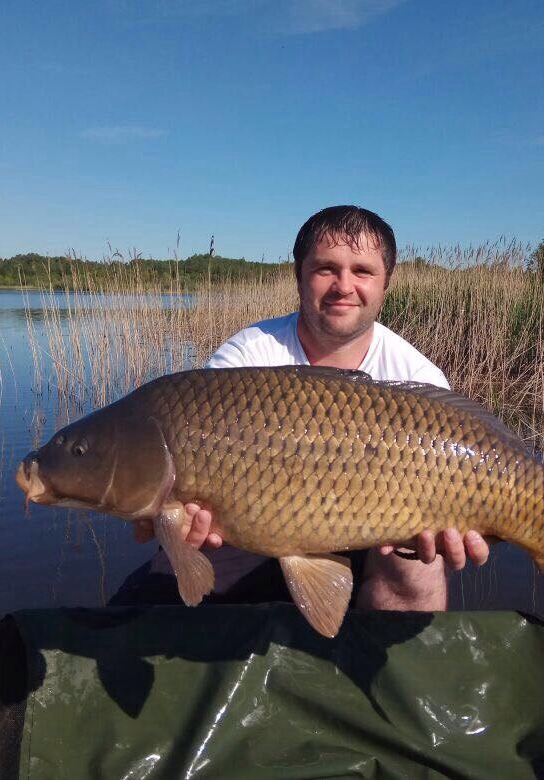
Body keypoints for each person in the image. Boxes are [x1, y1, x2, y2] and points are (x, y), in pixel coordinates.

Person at [113, 205, 490, 612]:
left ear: (385, 283)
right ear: (299, 276)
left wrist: (433, 538)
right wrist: (174, 521)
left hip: (379, 532)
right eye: (326, 268)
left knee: (417, 569)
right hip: (258, 525)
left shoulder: (416, 375)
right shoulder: (248, 354)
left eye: (362, 271)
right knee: (178, 569)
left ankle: (380, 669)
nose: (344, 286)